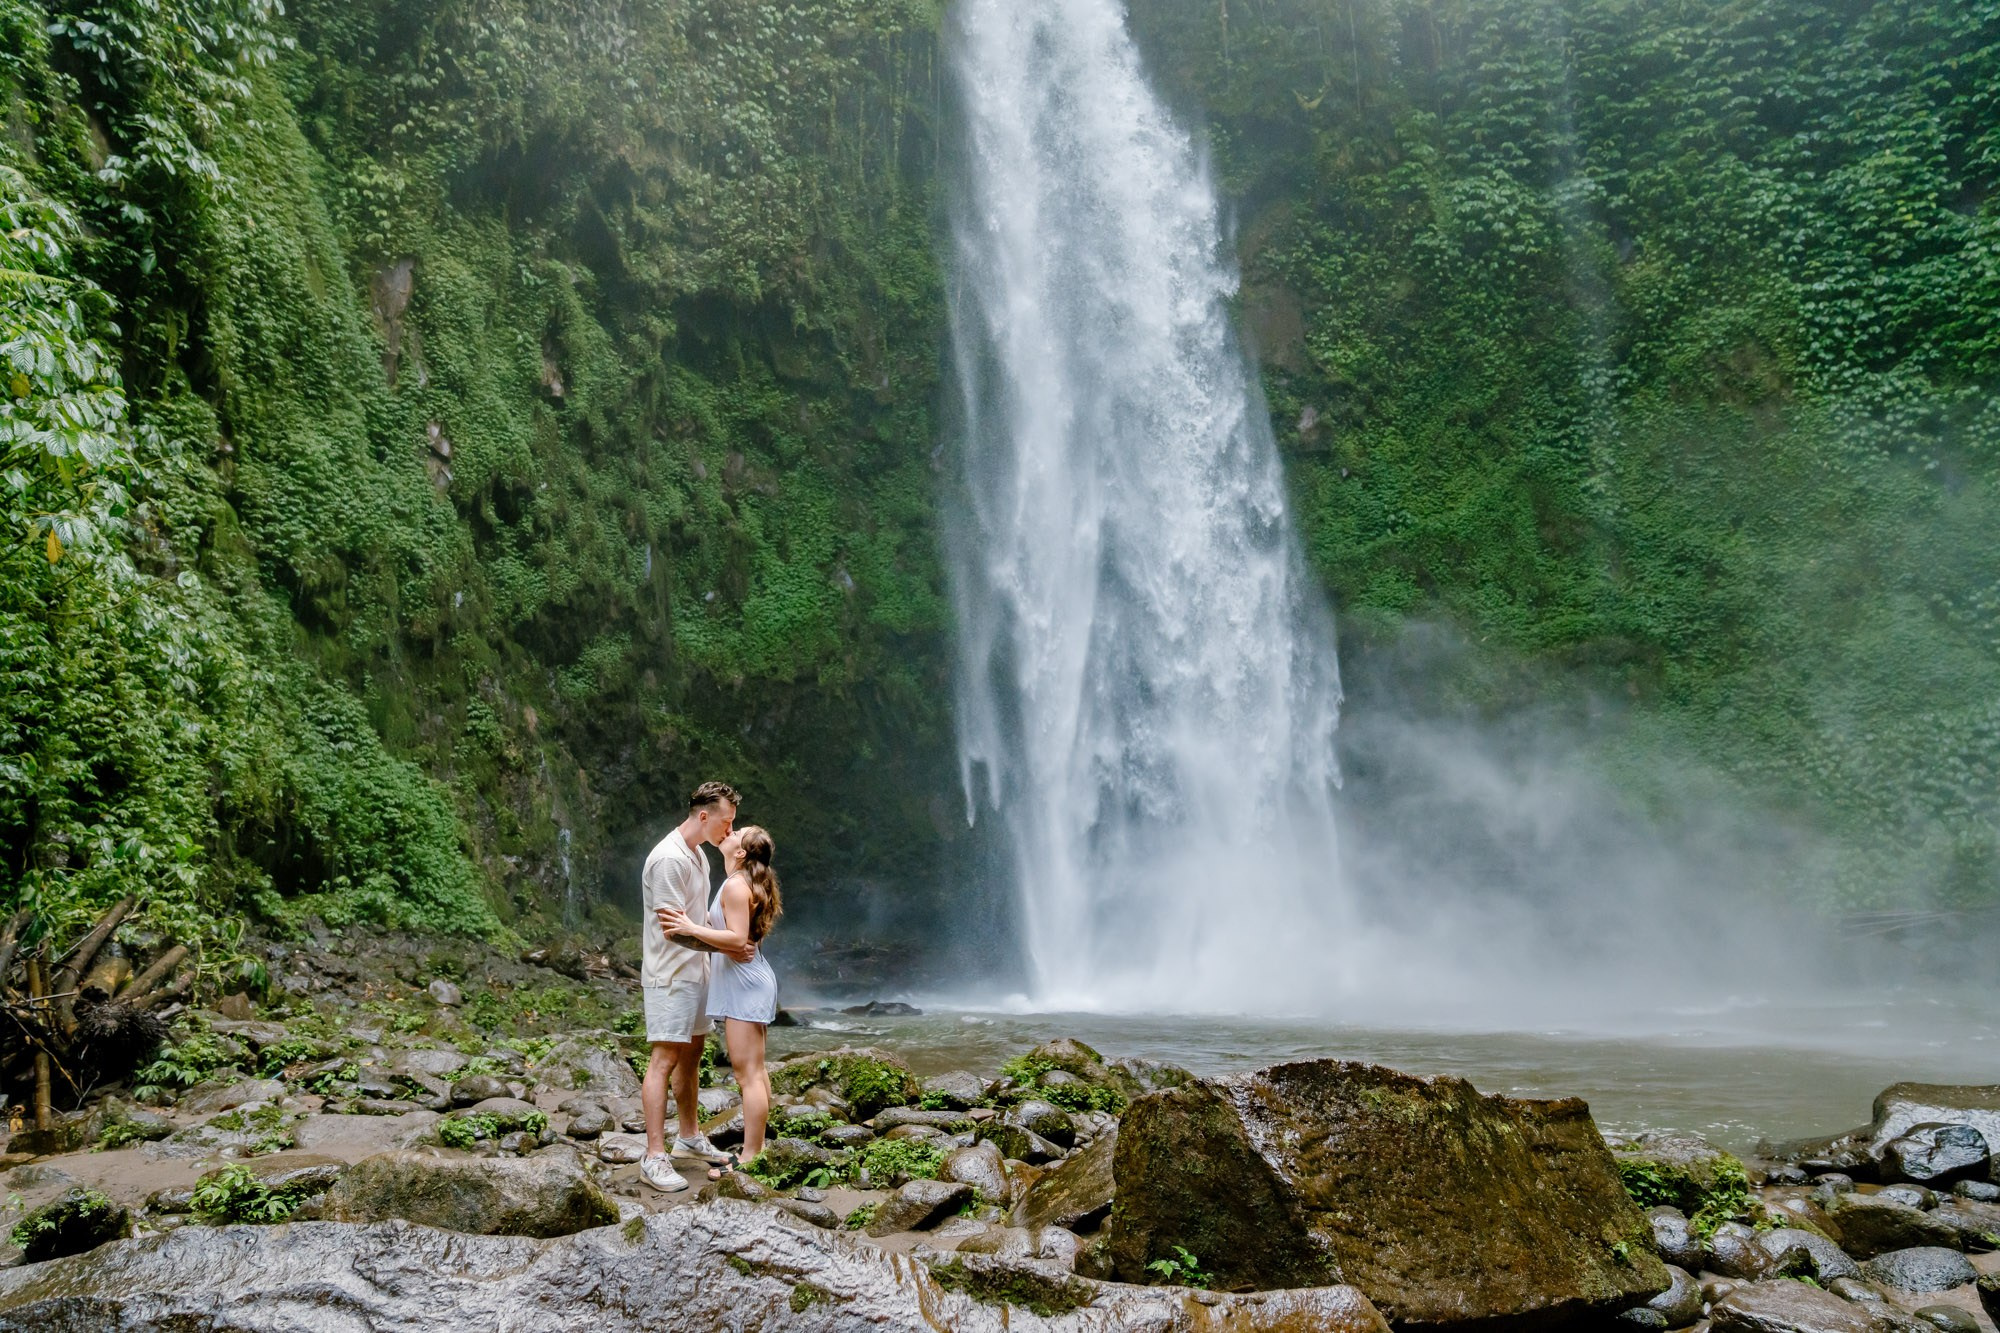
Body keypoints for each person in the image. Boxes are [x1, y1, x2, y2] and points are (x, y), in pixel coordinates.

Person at [637, 781, 752, 1193]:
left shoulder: (699, 857)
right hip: (670, 973)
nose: (730, 829)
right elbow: (674, 931)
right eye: (727, 821)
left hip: (697, 971)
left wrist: (725, 944)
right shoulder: (668, 859)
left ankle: (687, 1138)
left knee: (693, 1055)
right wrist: (728, 948)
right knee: (664, 1059)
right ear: (704, 816)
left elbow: (698, 922)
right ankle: (653, 1156)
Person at [657, 824, 782, 1176]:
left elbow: (736, 937)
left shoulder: (735, 885)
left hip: (745, 985)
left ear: (741, 852)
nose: (732, 829)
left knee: (748, 1075)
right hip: (748, 980)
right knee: (755, 1072)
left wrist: (690, 927)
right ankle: (755, 1149)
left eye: (739, 831)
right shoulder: (742, 881)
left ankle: (751, 1156)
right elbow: (738, 940)